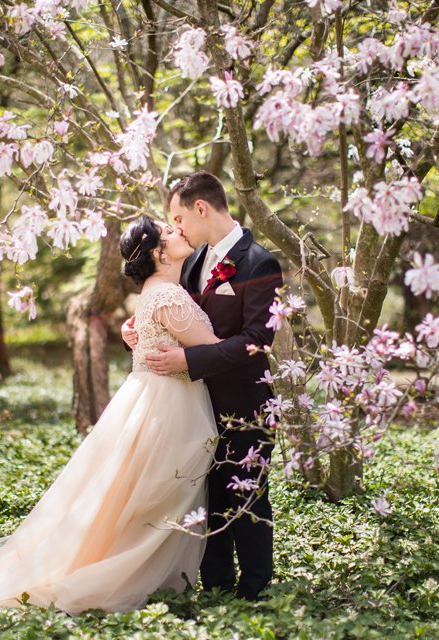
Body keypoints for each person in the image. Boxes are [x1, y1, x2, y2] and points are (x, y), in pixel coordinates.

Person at [0, 216, 221, 615]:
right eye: (168, 232)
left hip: (152, 399)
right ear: (157, 252)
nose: (177, 231)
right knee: (158, 494)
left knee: (141, 494)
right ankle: (140, 577)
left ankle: (151, 573)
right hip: (167, 405)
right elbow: (218, 350)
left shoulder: (158, 292)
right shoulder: (167, 296)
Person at [123, 171, 282, 601]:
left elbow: (256, 342)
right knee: (205, 499)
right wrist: (140, 333)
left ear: (201, 208)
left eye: (178, 218)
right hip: (195, 406)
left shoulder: (259, 262)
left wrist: (189, 359)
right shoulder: (192, 259)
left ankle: (255, 589)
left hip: (244, 402)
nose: (175, 228)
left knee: (246, 498)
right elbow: (176, 321)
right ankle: (214, 585)